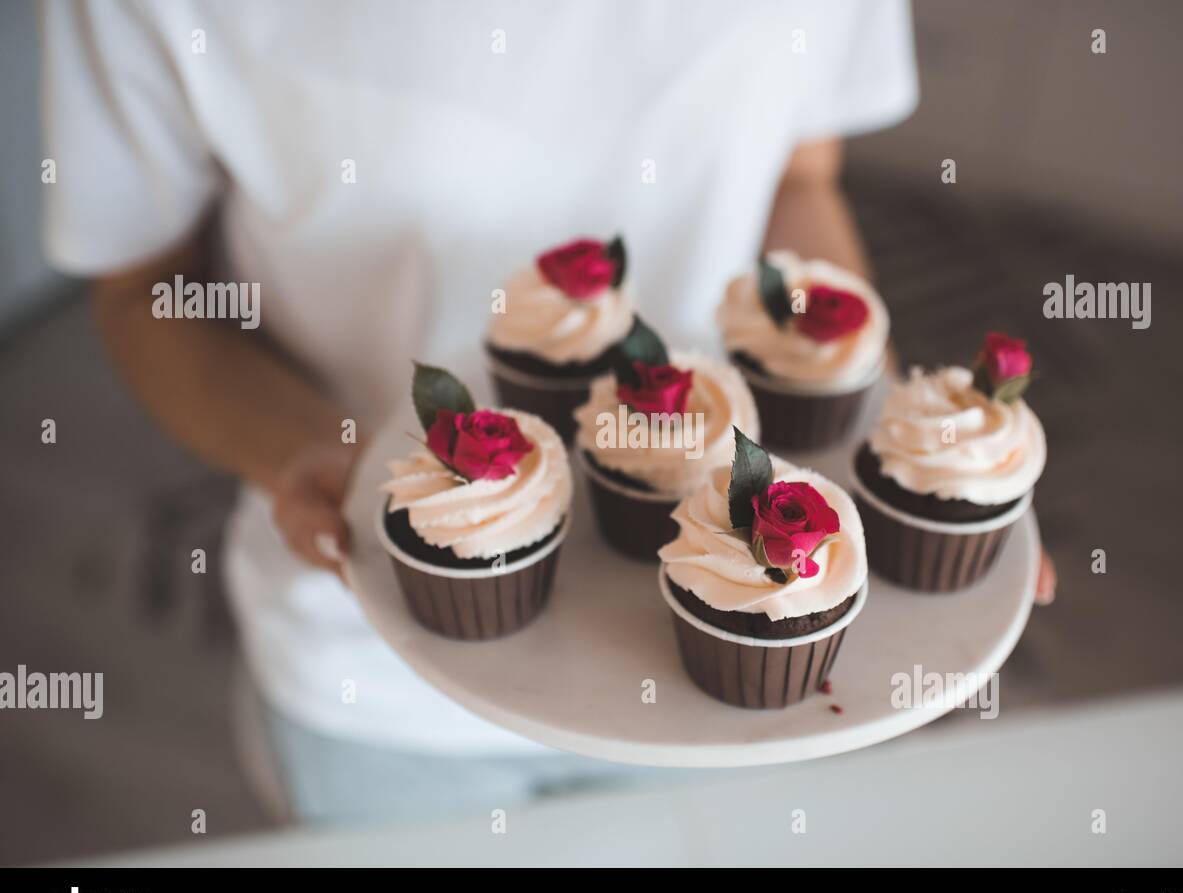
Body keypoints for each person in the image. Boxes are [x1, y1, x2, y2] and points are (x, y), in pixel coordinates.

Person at [42, 0, 1053, 822]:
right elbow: (144, 287)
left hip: (737, 670)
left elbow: (798, 174)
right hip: (376, 672)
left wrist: (891, 432)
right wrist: (311, 450)